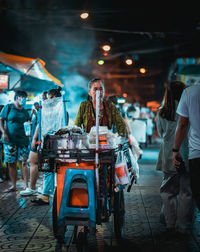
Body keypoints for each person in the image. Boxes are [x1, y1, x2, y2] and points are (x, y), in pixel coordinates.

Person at [156, 81, 194, 234]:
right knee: (186, 191)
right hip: (186, 153)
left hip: (168, 154)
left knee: (168, 191)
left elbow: (160, 132)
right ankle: (184, 226)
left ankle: (170, 224)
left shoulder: (162, 112)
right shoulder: (189, 110)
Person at [28, 88, 63, 204]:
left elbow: (42, 125)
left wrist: (35, 139)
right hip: (49, 142)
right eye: (48, 99)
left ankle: (52, 195)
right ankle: (47, 195)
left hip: (55, 142)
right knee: (49, 168)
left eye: (51, 98)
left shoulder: (57, 110)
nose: (49, 101)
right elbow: (40, 125)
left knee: (54, 168)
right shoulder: (48, 110)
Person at [173, 84, 200, 212]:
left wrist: (175, 150)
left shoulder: (190, 92)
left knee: (198, 193)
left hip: (197, 153)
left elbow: (183, 124)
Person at [0, 90, 31, 192]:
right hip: (10, 141)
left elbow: (28, 123)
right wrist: (4, 132)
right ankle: (13, 185)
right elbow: (1, 120)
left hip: (23, 141)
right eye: (24, 97)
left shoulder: (25, 111)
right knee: (11, 163)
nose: (25, 100)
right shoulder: (8, 107)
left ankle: (26, 186)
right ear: (17, 97)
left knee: (24, 163)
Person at [20, 92, 47, 196]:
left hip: (38, 140)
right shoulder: (43, 110)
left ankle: (32, 188)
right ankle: (43, 187)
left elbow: (39, 124)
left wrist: (34, 139)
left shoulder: (44, 109)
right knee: (41, 164)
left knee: (32, 162)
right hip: (41, 139)